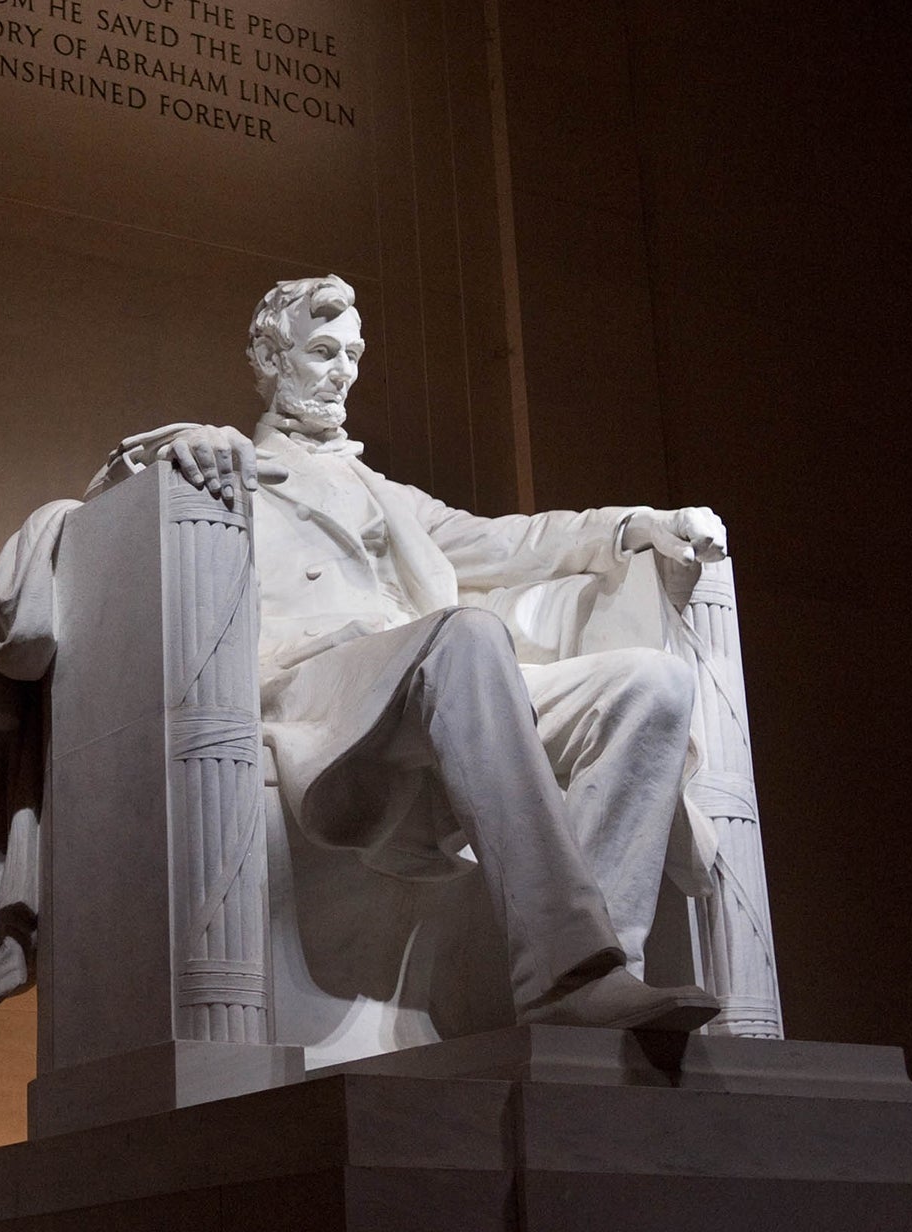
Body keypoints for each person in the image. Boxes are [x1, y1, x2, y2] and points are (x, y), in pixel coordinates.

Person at [92, 274, 727, 1030]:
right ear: (267, 357)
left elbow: (513, 540)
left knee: (649, 684)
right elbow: (110, 508)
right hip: (319, 689)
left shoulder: (390, 496)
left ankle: (593, 981)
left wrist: (639, 525)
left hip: (440, 677)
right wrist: (179, 446)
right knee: (465, 635)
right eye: (322, 351)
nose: (343, 372)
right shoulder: (222, 462)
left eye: (353, 354)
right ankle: (568, 970)